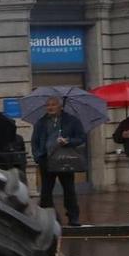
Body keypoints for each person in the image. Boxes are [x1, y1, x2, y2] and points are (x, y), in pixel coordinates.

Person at [30, 95, 86, 227]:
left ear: (60, 107)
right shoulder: (41, 122)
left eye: (53, 104)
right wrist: (38, 156)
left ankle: (73, 217)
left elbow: (81, 138)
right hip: (46, 160)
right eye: (48, 105)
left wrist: (68, 141)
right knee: (46, 191)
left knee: (69, 189)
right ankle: (47, 218)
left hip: (64, 159)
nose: (50, 107)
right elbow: (35, 141)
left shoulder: (72, 121)